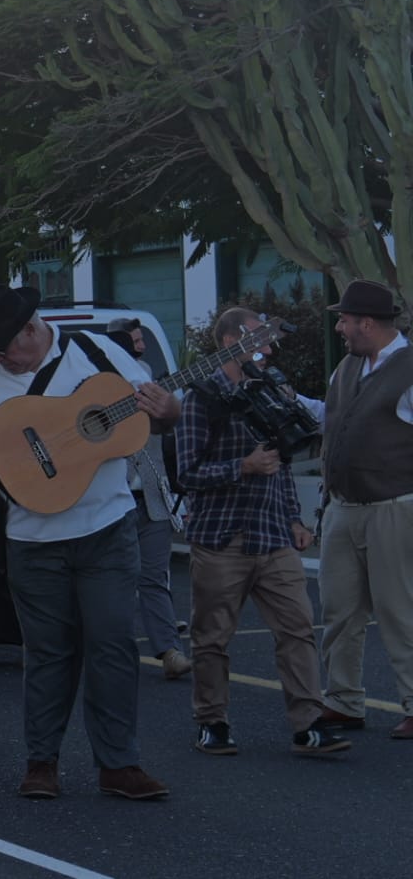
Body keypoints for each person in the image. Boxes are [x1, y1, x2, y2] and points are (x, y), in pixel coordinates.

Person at [0, 285, 176, 801]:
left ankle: (119, 765)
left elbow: (159, 416)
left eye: (5, 348)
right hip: (32, 538)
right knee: (48, 653)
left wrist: (168, 410)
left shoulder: (100, 355)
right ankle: (42, 762)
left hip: (107, 528)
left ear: (33, 330)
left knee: (112, 645)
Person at [176, 307, 348, 755]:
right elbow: (187, 473)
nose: (269, 349)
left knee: (298, 630)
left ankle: (309, 724)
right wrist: (243, 467)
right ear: (232, 340)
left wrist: (295, 518)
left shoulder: (272, 388)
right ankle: (211, 722)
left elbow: (284, 463)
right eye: (261, 339)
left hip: (273, 533)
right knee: (211, 638)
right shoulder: (202, 395)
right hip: (220, 537)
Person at [319, 279, 413, 739]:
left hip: (394, 508)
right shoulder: (347, 369)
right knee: (339, 609)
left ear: (368, 324)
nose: (340, 327)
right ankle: (342, 700)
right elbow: (332, 420)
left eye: (345, 320)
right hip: (342, 506)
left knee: (400, 611)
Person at [107, 320, 189, 680]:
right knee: (114, 584)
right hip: (112, 499)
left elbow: (171, 423)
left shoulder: (149, 380)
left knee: (155, 577)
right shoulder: (95, 383)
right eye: (136, 340)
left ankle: (169, 650)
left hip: (153, 495)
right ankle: (112, 655)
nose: (142, 346)